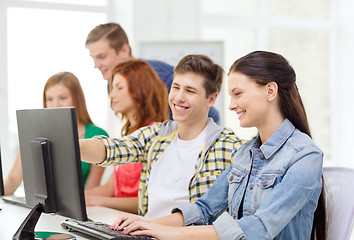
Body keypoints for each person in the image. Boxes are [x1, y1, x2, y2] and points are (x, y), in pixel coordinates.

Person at [112, 51, 327, 240]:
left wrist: (169, 234)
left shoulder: (305, 156)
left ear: (270, 91)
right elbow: (204, 209)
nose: (232, 105)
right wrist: (147, 225)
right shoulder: (246, 153)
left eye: (238, 94)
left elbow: (260, 227)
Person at [79, 54, 244, 218]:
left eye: (190, 91)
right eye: (176, 87)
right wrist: (70, 146)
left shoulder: (229, 147)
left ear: (211, 99)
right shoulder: (156, 136)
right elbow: (112, 149)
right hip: (144, 232)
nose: (179, 97)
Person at [85, 22, 221, 124]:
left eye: (102, 57)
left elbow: (211, 115)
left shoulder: (160, 77)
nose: (96, 65)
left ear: (124, 50)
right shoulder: (111, 84)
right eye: (93, 58)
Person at [85, 59, 169, 214]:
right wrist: (79, 198)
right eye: (112, 88)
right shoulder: (128, 135)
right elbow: (111, 188)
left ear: (140, 89)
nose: (112, 94)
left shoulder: (156, 136)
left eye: (119, 87)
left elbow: (150, 201)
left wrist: (98, 201)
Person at [4, 72, 109, 196]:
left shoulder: (97, 135)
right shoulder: (35, 134)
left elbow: (90, 191)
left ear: (77, 99)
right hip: (40, 209)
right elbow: (13, 179)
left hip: (81, 210)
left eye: (63, 98)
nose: (55, 105)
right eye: (50, 99)